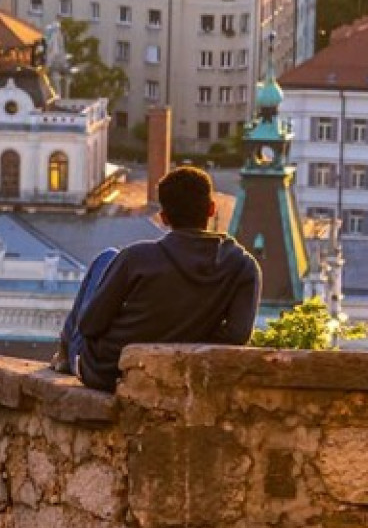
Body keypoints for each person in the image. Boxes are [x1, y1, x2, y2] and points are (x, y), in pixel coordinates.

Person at [58, 165, 262, 391]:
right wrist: (190, 333)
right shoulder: (244, 266)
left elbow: (88, 326)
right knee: (110, 259)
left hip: (105, 372)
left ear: (164, 218)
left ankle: (66, 355)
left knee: (106, 258)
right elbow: (237, 336)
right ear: (212, 209)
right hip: (177, 378)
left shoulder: (136, 258)